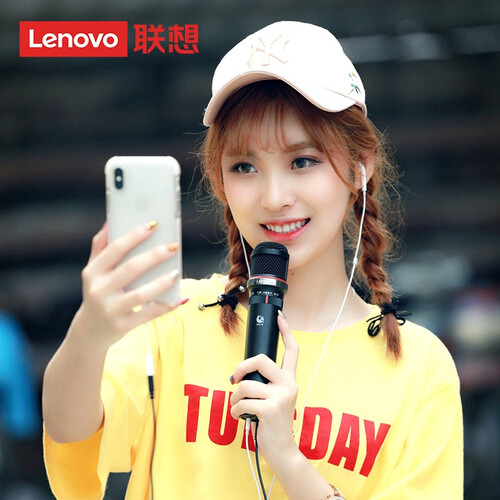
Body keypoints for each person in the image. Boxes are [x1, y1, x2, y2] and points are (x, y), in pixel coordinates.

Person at [42, 21, 463, 499]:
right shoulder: (174, 317)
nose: (274, 197)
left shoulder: (419, 368)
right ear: (221, 182)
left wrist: (287, 457)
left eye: (303, 161)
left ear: (359, 166)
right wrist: (89, 334)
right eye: (245, 167)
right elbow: (71, 432)